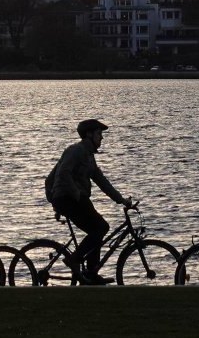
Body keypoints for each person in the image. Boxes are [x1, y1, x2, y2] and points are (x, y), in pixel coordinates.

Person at [45, 119, 133, 285]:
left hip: (73, 199)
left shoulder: (89, 157)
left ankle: (90, 273)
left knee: (97, 229)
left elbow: (102, 181)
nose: (102, 138)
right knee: (101, 227)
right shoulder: (76, 151)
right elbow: (62, 173)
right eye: (99, 134)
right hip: (69, 198)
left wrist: (121, 200)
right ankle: (75, 260)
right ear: (89, 134)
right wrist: (74, 195)